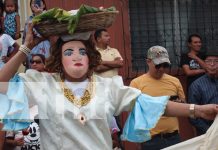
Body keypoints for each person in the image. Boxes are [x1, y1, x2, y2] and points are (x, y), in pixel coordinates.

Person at [0, 23, 218, 150]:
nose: (76, 56)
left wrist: (196, 109)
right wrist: (26, 48)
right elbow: (2, 83)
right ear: (59, 58)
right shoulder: (43, 84)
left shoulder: (106, 87)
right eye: (69, 52)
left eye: (82, 51)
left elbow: (154, 104)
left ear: (91, 57)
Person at [130, 46, 186, 150]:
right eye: (158, 65)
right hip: (150, 140)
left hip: (173, 138)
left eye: (165, 65)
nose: (161, 69)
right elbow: (134, 114)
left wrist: (179, 103)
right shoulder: (136, 83)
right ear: (148, 62)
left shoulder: (174, 81)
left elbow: (184, 105)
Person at [188, 49, 218, 136]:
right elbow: (191, 113)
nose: (212, 64)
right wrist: (209, 131)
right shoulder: (196, 85)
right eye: (208, 61)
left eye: (216, 61)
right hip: (207, 133)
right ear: (204, 64)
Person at [22, 0, 50, 70]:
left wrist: (40, 14)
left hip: (46, 52)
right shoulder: (28, 20)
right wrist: (23, 56)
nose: (36, 5)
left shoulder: (49, 17)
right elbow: (25, 39)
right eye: (33, 3)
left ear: (43, 5)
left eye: (38, 2)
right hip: (32, 53)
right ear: (31, 7)